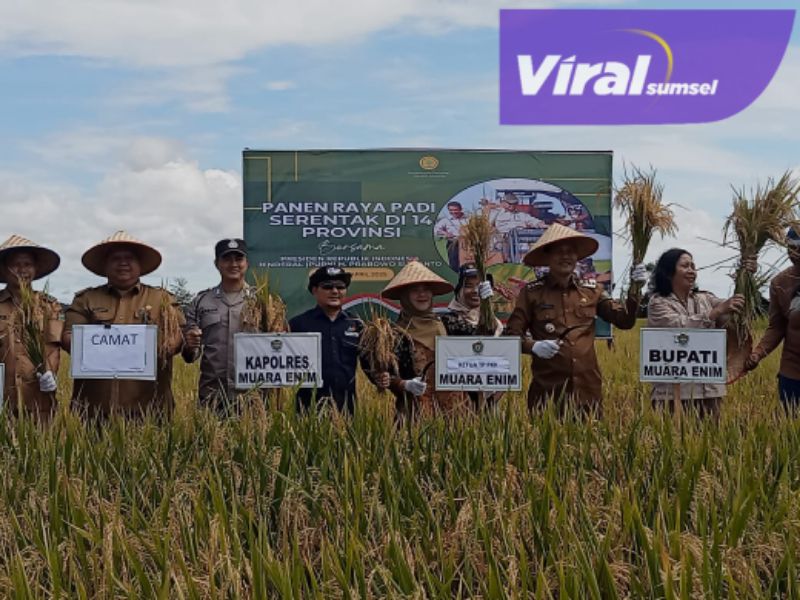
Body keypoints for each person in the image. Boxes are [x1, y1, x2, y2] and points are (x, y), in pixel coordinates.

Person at [505, 223, 647, 416]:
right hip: (548, 393)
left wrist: (634, 290)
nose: (566, 256)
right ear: (548, 257)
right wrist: (534, 346)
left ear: (577, 257)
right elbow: (511, 336)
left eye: (570, 251)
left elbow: (624, 321)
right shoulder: (532, 294)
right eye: (559, 251)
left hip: (588, 392)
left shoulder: (592, 290)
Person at [62, 231, 185, 419]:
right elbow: (68, 337)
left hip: (150, 407)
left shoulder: (162, 299)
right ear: (105, 265)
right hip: (94, 407)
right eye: (116, 258)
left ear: (140, 265)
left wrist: (169, 346)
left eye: (129, 258)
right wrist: (102, 351)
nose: (123, 263)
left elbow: (179, 335)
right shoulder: (85, 299)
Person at [647, 248, 749, 418]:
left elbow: (734, 309)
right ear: (669, 271)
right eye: (685, 266)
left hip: (709, 390)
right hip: (673, 392)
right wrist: (715, 313)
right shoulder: (658, 303)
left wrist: (745, 277)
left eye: (693, 266)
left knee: (710, 439)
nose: (691, 271)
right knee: (672, 440)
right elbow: (679, 329)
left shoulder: (706, 299)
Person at [374, 260, 467, 417]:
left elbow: (486, 337)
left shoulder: (451, 324)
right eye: (415, 290)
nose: (422, 294)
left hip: (457, 414)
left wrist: (486, 304)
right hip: (414, 414)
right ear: (404, 296)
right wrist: (404, 384)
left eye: (426, 289)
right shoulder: (392, 335)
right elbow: (382, 376)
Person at [183, 238, 262, 412]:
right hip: (212, 395)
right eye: (226, 259)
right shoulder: (201, 302)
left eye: (238, 259)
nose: (233, 264)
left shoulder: (261, 301)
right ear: (217, 264)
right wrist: (190, 345)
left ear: (247, 263)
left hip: (253, 396)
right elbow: (190, 356)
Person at [0, 235, 62, 419]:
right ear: (4, 269)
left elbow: (53, 347)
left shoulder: (49, 306)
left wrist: (50, 373)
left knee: (41, 446)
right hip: (3, 399)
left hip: (39, 400)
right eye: (15, 264)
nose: (22, 270)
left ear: (35, 269)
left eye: (27, 264)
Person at [289, 266, 365, 414]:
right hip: (308, 411)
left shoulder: (356, 324)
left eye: (340, 287)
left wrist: (382, 377)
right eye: (328, 287)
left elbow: (370, 365)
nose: (335, 291)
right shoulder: (297, 324)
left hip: (347, 410)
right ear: (314, 290)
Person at [745, 227, 800, 408]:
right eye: (790, 248)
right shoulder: (780, 283)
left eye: (799, 248)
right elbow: (777, 327)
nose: (794, 254)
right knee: (790, 432)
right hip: (793, 374)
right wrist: (758, 353)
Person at [439, 262, 500, 409]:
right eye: (468, 285)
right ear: (459, 289)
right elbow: (476, 342)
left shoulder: (497, 325)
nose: (474, 291)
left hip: (490, 407)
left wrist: (493, 397)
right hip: (456, 406)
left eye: (480, 286)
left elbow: (505, 365)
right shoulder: (448, 321)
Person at [434, 201, 469, 271]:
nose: (453, 212)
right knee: (454, 264)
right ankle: (456, 280)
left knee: (468, 264)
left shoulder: (468, 219)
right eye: (451, 210)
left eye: (455, 210)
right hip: (453, 244)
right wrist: (445, 233)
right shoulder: (445, 220)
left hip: (467, 244)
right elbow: (436, 229)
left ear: (460, 209)